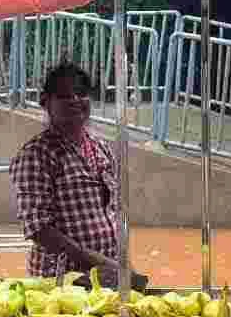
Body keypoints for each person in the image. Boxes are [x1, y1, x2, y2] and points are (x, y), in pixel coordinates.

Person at [12, 61, 147, 291]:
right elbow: (38, 228)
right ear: (46, 102)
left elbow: (113, 212)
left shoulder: (100, 147)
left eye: (81, 93)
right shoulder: (36, 154)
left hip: (107, 278)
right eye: (64, 95)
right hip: (62, 282)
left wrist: (124, 265)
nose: (75, 100)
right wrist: (94, 261)